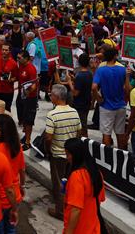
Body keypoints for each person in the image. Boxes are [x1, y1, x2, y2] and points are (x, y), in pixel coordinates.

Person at [44, 83, 81, 221]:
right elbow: (78, 132)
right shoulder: (74, 112)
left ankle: (60, 211)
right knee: (69, 182)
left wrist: (48, 150)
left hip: (57, 155)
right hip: (71, 155)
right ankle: (68, 207)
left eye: (51, 95)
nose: (50, 97)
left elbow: (48, 137)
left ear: (56, 97)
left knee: (59, 183)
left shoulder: (52, 114)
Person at [62, 138, 105, 234]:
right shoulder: (96, 172)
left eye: (68, 154)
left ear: (76, 154)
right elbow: (100, 199)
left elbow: (76, 209)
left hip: (80, 229)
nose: (67, 158)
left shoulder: (77, 177)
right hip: (94, 228)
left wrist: (68, 232)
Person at [0, 114, 26, 234]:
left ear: (1, 131)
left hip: (1, 199)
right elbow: (22, 171)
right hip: (15, 196)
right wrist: (22, 186)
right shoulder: (17, 147)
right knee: (11, 229)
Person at [91, 47, 127, 149]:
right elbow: (126, 88)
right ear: (115, 56)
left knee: (106, 133)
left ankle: (107, 157)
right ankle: (122, 155)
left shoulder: (101, 70)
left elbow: (93, 87)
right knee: (120, 133)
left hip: (106, 106)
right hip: (120, 105)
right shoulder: (122, 69)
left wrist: (98, 98)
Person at [15, 50, 38, 150]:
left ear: (26, 58)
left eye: (19, 58)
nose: (18, 60)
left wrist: (27, 92)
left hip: (30, 98)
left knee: (29, 121)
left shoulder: (31, 69)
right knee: (23, 117)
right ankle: (25, 136)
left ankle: (28, 142)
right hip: (22, 96)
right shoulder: (21, 66)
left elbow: (34, 85)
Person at [0, 43, 18, 112]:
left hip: (8, 91)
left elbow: (16, 77)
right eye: (3, 50)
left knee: (6, 110)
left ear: (10, 51)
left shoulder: (14, 63)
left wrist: (11, 80)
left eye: (6, 50)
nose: (4, 51)